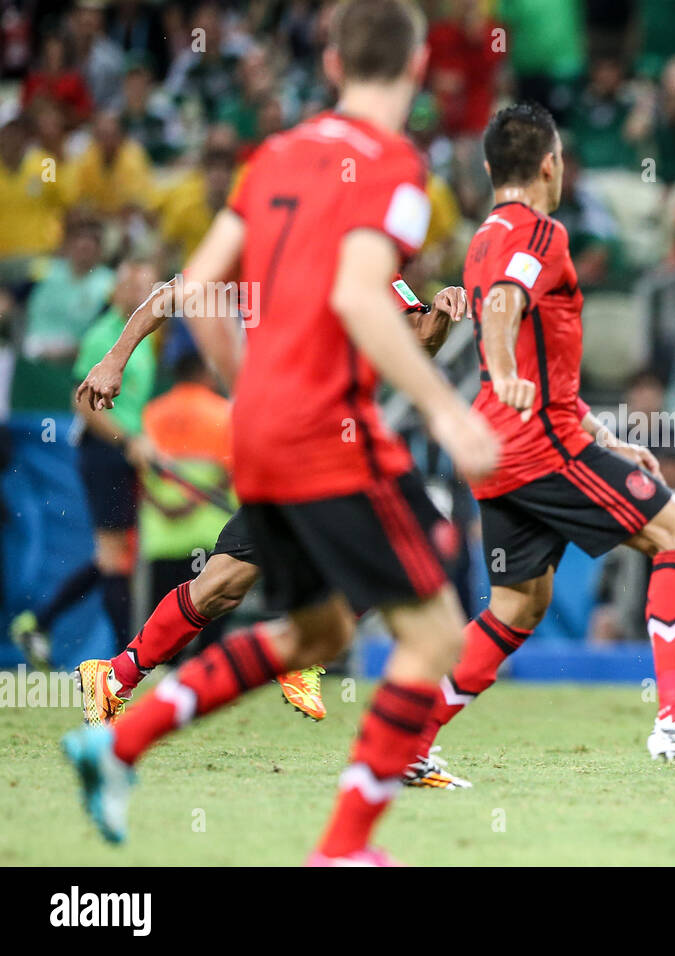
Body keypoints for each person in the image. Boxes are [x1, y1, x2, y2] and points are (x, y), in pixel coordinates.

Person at [61, 0, 499, 866]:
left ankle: (115, 740)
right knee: (436, 630)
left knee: (315, 633)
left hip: (262, 429)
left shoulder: (274, 159)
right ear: (415, 71)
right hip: (329, 433)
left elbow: (194, 291)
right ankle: (343, 846)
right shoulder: (397, 169)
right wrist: (446, 409)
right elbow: (357, 302)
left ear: (331, 66)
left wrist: (242, 384)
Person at [402, 102, 675, 781]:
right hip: (536, 443)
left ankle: (409, 740)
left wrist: (606, 436)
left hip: (498, 447)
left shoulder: (482, 236)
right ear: (549, 165)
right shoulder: (541, 232)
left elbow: (538, 354)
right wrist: (504, 372)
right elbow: (506, 305)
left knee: (516, 604)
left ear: (486, 169)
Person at [68, 275, 458, 739]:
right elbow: (170, 294)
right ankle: (320, 668)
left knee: (221, 586)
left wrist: (444, 315)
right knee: (410, 552)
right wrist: (114, 357)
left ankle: (116, 677)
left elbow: (418, 341)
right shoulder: (260, 240)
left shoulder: (365, 255)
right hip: (292, 446)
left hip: (328, 447)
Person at [10, 259, 158, 666]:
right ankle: (129, 657)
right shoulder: (103, 337)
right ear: (117, 290)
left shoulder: (143, 339)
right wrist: (128, 440)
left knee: (111, 556)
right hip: (104, 452)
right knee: (115, 557)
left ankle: (38, 623)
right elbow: (84, 404)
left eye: (149, 284)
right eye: (134, 283)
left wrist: (140, 442)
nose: (143, 291)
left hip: (124, 453)